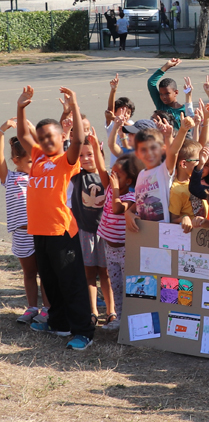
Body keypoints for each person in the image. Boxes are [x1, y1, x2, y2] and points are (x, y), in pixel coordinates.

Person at [17, 85, 95, 350]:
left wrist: (75, 104)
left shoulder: (66, 160)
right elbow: (22, 134)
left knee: (71, 283)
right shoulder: (38, 157)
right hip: (39, 231)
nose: (45, 141)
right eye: (42, 137)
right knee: (50, 282)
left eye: (50, 136)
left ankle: (83, 331)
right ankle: (60, 324)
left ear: (62, 137)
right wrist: (20, 107)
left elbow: (79, 141)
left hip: (61, 231)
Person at [1, 119, 50, 324]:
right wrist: (2, 130)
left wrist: (30, 129)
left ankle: (47, 309)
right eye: (30, 162)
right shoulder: (9, 178)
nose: (34, 165)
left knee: (46, 274)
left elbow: (45, 152)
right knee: (29, 274)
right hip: (22, 235)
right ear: (16, 160)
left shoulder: (41, 177)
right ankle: (31, 307)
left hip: (42, 233)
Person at [69, 133, 115, 328]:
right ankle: (93, 311)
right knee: (89, 274)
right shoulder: (77, 177)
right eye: (81, 155)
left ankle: (111, 311)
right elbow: (68, 157)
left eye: (90, 154)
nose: (86, 159)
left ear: (100, 154)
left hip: (105, 233)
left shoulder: (107, 177)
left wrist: (97, 147)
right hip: (85, 233)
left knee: (106, 274)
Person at [96, 154, 141, 330]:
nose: (112, 177)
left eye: (117, 175)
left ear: (129, 180)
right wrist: (95, 147)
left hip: (124, 251)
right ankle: (120, 319)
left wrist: (114, 188)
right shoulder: (110, 188)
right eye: (112, 173)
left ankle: (129, 321)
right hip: (110, 248)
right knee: (116, 287)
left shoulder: (130, 197)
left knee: (128, 286)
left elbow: (116, 208)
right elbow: (101, 169)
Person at [147, 58, 185, 130]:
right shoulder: (161, 105)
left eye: (167, 93)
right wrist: (167, 66)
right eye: (161, 94)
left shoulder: (184, 110)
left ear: (176, 92)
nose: (163, 97)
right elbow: (151, 82)